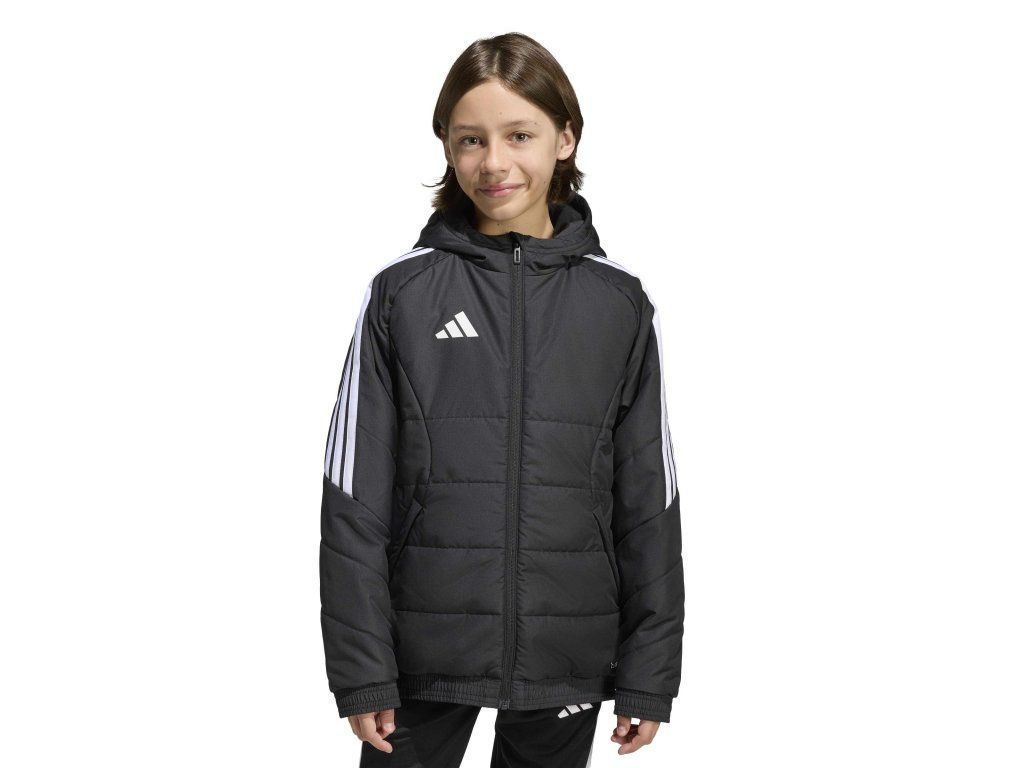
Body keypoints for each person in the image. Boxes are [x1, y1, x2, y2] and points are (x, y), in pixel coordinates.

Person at [319, 32, 685, 767]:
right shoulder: (403, 294)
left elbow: (650, 496)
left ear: (565, 139)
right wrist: (362, 672)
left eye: (519, 135)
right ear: (447, 149)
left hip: (567, 644)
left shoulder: (618, 304)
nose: (494, 162)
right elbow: (352, 496)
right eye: (470, 139)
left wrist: (649, 674)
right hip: (421, 649)